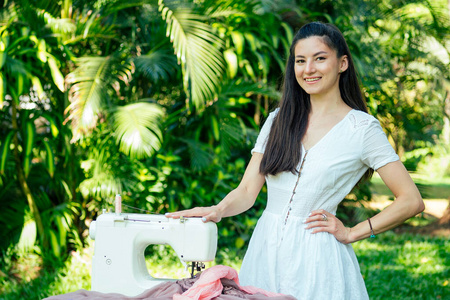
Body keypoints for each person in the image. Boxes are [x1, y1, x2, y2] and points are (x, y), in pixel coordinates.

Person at [165, 21, 424, 299]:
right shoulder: (278, 120)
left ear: (342, 63)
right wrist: (218, 209)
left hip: (319, 259)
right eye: (300, 61)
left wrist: (353, 232)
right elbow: (247, 191)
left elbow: (411, 200)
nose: (308, 69)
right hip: (265, 249)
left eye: (320, 58)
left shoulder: (362, 129)